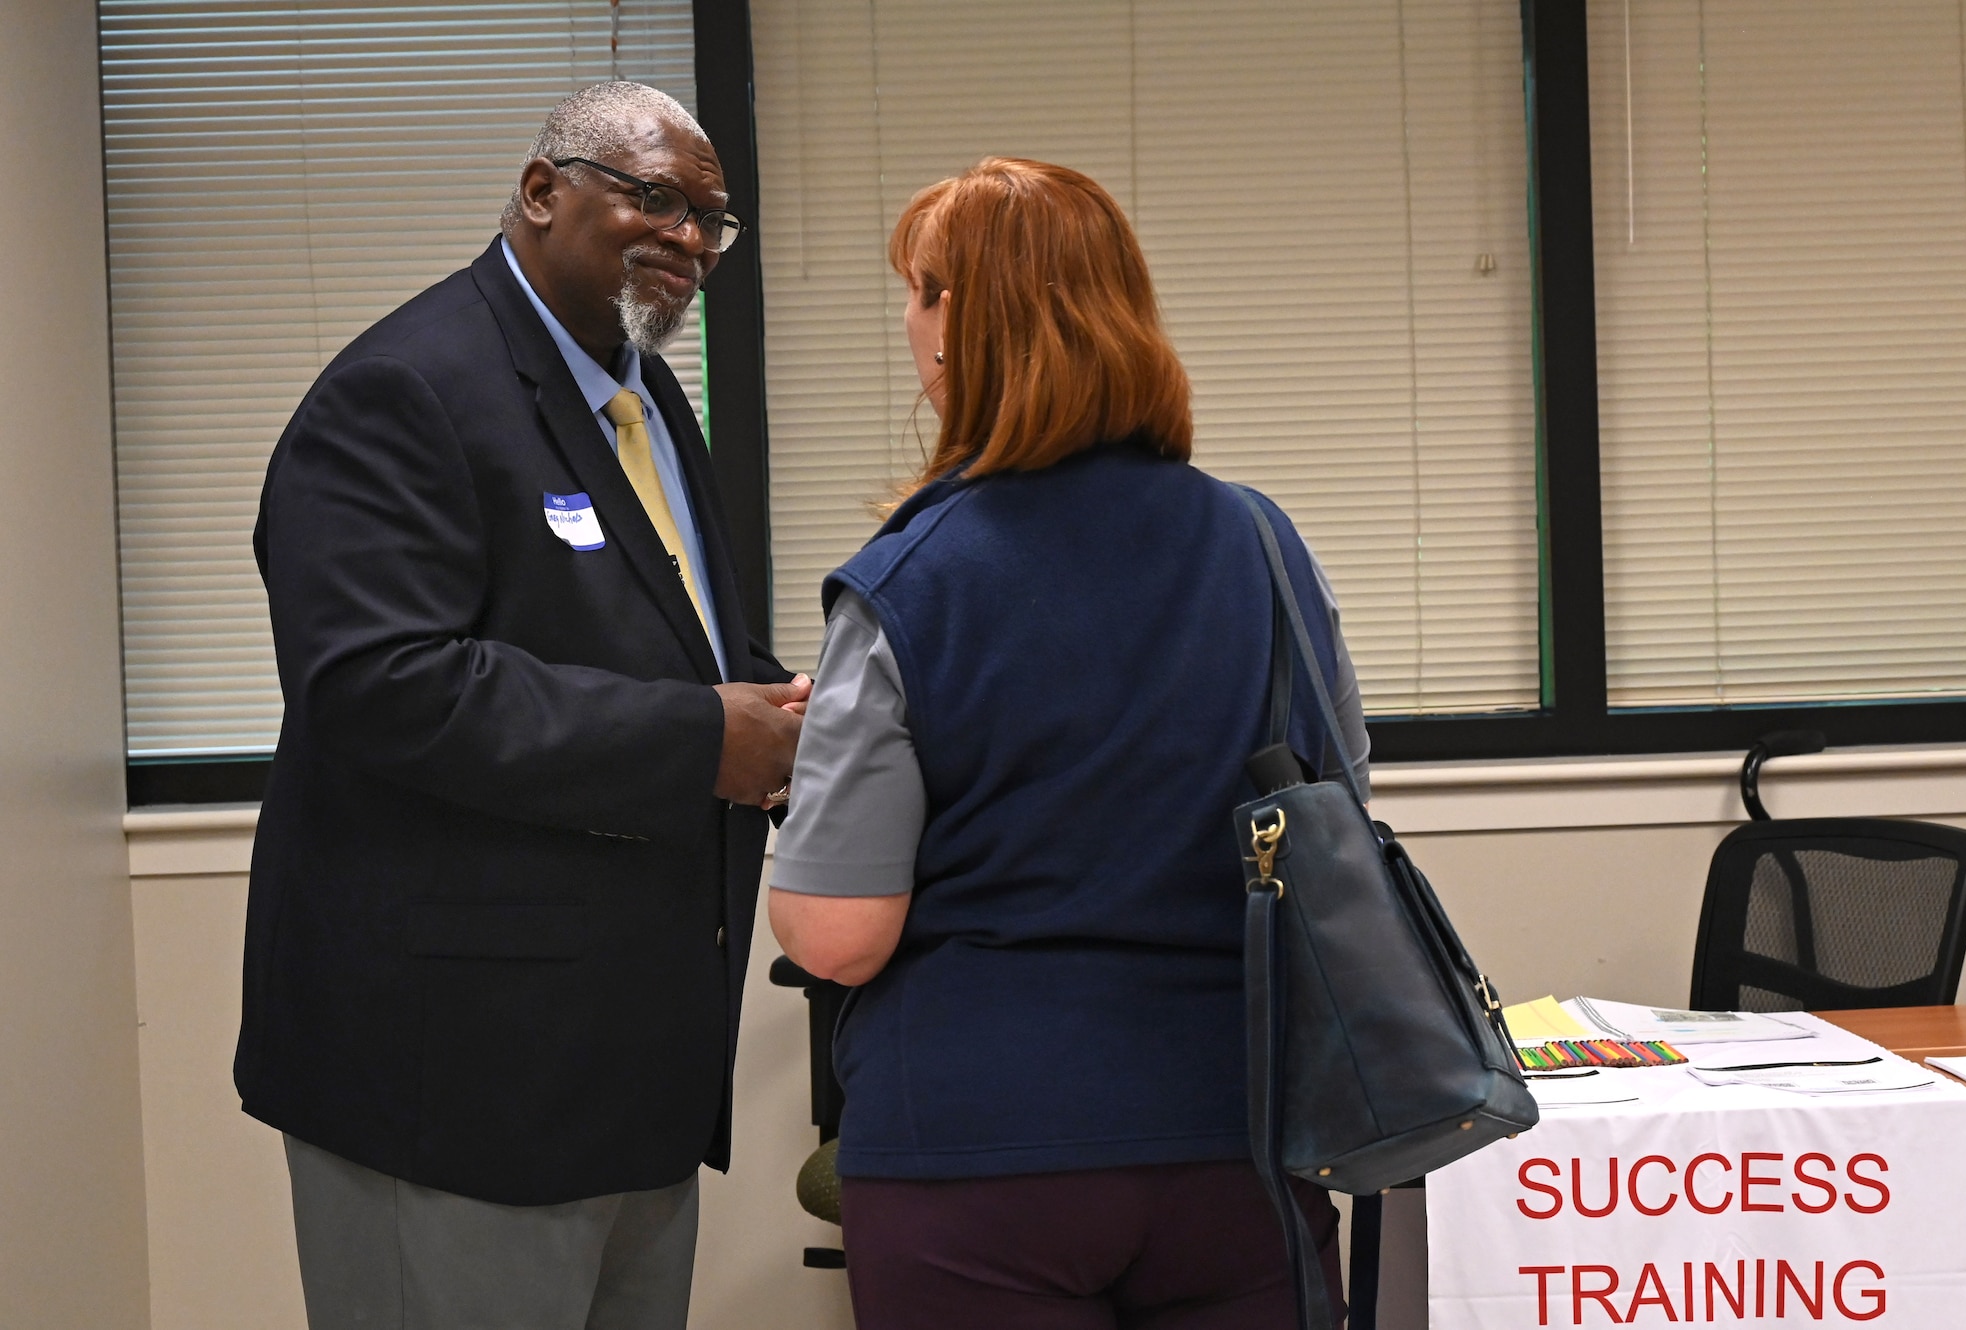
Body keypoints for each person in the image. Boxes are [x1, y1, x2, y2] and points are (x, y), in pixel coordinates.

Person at [238, 82, 808, 1329]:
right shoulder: (404, 389)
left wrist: (784, 708)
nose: (690, 240)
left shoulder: (647, 395)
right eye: (654, 197)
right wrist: (707, 737)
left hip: (628, 1062)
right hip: (455, 1079)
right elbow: (381, 686)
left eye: (712, 219)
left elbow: (670, 641)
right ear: (542, 191)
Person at [767, 157, 1372, 1329]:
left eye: (917, 292)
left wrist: (802, 794)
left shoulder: (904, 583)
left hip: (977, 1166)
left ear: (957, 331)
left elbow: (840, 937)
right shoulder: (1261, 547)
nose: (906, 322)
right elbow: (1333, 820)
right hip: (1239, 1143)